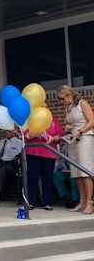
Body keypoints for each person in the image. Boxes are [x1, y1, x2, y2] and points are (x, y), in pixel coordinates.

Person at [57, 85, 94, 214]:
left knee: (85, 171)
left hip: (85, 138)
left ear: (68, 95)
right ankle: (82, 201)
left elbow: (91, 121)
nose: (62, 101)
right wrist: (68, 127)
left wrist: (79, 131)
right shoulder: (67, 108)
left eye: (62, 98)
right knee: (76, 173)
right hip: (73, 140)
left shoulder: (82, 103)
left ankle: (90, 203)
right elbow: (72, 123)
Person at [24, 103, 63, 211]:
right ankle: (31, 202)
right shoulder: (30, 120)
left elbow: (60, 135)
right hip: (33, 152)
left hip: (49, 153)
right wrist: (32, 135)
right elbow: (25, 137)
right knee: (32, 178)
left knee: (47, 178)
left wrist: (53, 138)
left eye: (45, 107)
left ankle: (47, 202)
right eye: (41, 108)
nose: (44, 109)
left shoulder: (53, 121)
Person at [53, 143, 79, 208]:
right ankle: (67, 196)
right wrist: (64, 167)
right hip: (67, 168)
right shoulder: (66, 146)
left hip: (77, 168)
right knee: (56, 176)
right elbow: (62, 159)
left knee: (73, 178)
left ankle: (75, 199)